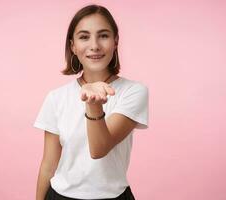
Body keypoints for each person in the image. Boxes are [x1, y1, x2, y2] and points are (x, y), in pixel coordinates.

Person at [33, 4, 149, 200]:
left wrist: (93, 102)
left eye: (103, 35)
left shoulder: (133, 92)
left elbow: (99, 148)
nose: (94, 45)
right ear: (73, 46)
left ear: (115, 42)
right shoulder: (56, 97)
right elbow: (48, 165)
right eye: (84, 37)